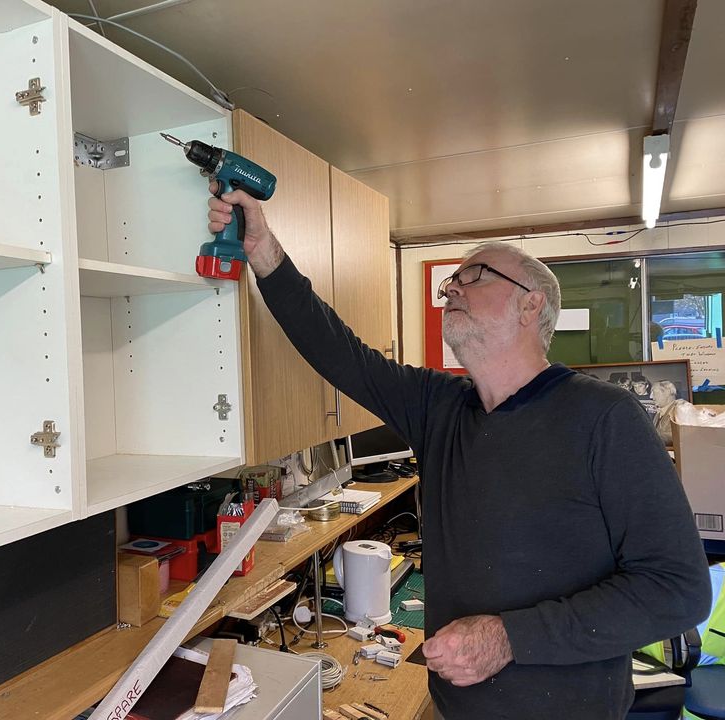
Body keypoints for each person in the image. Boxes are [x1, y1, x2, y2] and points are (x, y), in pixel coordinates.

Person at [206, 186, 711, 720]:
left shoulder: (606, 419)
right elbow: (338, 350)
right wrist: (263, 250)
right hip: (453, 708)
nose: (452, 289)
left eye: (475, 276)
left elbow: (676, 589)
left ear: (531, 303)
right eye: (452, 280)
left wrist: (508, 638)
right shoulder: (439, 407)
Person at [651, 379, 686, 445]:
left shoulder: (680, 409)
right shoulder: (659, 412)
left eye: (655, 393)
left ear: (667, 392)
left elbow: (677, 435)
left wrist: (649, 437)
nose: (652, 397)